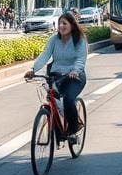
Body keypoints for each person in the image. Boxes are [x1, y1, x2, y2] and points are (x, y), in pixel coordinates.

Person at [25, 12, 88, 144]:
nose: (61, 26)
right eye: (60, 23)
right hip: (56, 76)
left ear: (72, 25)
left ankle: (74, 128)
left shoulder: (79, 40)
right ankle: (59, 134)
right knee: (52, 99)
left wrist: (75, 71)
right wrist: (33, 70)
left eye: (65, 23)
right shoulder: (54, 40)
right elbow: (45, 55)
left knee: (68, 100)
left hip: (74, 77)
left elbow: (81, 59)